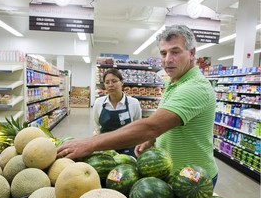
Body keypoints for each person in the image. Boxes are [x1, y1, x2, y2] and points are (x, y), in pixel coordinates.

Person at [57, 24, 219, 187]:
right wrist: (152, 140)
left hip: (194, 180)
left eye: (175, 52)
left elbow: (151, 126)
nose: (168, 59)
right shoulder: (174, 82)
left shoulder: (195, 87)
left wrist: (90, 143)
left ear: (191, 53)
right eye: (163, 53)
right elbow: (167, 122)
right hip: (173, 173)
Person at [93, 68, 142, 157]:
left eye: (114, 81)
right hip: (106, 148)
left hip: (127, 148)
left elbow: (137, 127)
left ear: (122, 82)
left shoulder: (133, 103)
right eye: (107, 82)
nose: (110, 85)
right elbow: (97, 126)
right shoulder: (99, 103)